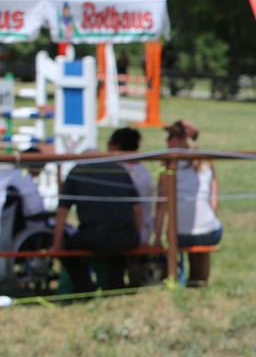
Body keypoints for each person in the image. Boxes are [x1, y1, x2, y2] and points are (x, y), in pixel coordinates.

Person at [50, 152, 142, 293]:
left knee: (68, 249)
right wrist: (138, 236)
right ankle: (115, 288)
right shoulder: (120, 169)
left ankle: (86, 289)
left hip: (95, 236)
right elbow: (137, 208)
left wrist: (56, 246)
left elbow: (62, 211)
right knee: (117, 255)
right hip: (126, 236)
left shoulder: (77, 171)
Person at [153, 120, 223, 287]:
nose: (167, 141)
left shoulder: (168, 166)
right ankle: (199, 280)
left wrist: (156, 238)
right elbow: (214, 204)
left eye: (172, 136)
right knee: (208, 230)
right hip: (208, 234)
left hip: (178, 236)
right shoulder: (207, 163)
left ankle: (180, 277)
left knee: (180, 235)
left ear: (183, 140)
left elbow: (161, 206)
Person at [109, 128, 156, 285]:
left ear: (115, 146)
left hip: (129, 231)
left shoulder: (120, 170)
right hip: (143, 227)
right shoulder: (142, 169)